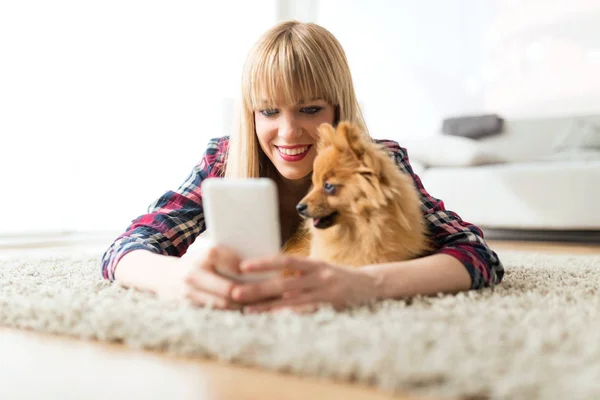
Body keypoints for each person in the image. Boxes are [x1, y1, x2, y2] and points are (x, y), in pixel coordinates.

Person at [100, 20, 504, 313]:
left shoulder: (379, 161)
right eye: (269, 111)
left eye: (310, 109)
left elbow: (477, 254)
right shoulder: (222, 160)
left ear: (337, 108)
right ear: (251, 114)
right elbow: (125, 249)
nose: (288, 132)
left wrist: (366, 285)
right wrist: (176, 280)